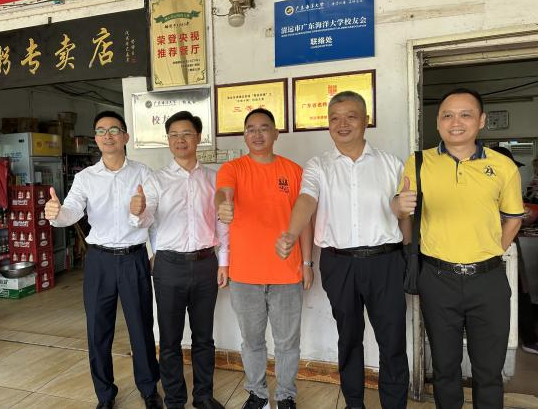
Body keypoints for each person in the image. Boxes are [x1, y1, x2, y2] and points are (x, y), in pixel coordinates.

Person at [276, 91, 410, 409]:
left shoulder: (391, 163)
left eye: (351, 116)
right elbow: (306, 199)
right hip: (339, 264)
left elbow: (404, 212)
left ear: (366, 120)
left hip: (385, 261)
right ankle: (354, 403)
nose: (342, 124)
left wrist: (406, 253)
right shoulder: (318, 165)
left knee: (392, 339)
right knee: (348, 337)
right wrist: (291, 233)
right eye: (334, 118)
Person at [393, 88, 524, 409]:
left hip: (488, 281)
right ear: (438, 122)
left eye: (465, 114)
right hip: (438, 279)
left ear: (481, 121)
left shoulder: (502, 166)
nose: (456, 122)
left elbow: (513, 219)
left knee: (489, 371)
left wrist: (489, 252)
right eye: (447, 115)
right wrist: (398, 206)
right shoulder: (419, 162)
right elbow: (402, 211)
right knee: (445, 368)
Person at [45, 110, 162, 409]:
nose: (107, 136)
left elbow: (152, 217)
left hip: (134, 258)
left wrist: (140, 215)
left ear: (125, 136)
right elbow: (72, 211)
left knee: (141, 327)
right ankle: (105, 395)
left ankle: (149, 390)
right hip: (99, 261)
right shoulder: (85, 178)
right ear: (95, 139)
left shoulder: (143, 174)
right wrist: (57, 214)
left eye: (113, 130)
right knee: (98, 330)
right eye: (100, 131)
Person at [129, 111, 228, 409]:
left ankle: (203, 396)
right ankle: (174, 399)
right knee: (170, 339)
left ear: (198, 138)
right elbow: (146, 219)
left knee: (204, 337)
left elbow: (222, 223)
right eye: (173, 135)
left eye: (186, 134)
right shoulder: (156, 180)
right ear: (168, 140)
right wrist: (137, 211)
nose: (180, 140)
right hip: (169, 266)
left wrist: (224, 262)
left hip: (206, 263)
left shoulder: (214, 178)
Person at [215, 108, 313, 409]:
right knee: (252, 341)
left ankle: (285, 396)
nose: (257, 134)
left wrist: (307, 263)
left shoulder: (294, 171)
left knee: (287, 342)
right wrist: (222, 205)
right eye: (251, 129)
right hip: (245, 275)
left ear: (276, 133)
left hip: (287, 273)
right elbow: (223, 194)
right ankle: (257, 394)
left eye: (264, 128)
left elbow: (305, 221)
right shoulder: (232, 168)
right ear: (244, 135)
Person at [490, 146, 538, 355]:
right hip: (492, 249)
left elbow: (518, 214)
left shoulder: (509, 183)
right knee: (508, 293)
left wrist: (523, 215)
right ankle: (526, 337)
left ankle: (528, 336)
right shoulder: (485, 184)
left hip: (510, 245)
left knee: (520, 290)